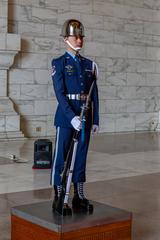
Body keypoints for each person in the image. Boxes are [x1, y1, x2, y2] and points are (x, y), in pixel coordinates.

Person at [50, 19, 99, 212]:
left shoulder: (89, 65)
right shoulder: (58, 63)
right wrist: (71, 117)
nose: (79, 40)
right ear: (65, 39)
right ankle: (59, 196)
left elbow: (94, 94)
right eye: (75, 36)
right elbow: (60, 94)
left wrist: (95, 119)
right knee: (61, 158)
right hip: (65, 117)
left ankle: (79, 195)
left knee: (80, 157)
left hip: (84, 117)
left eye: (81, 36)